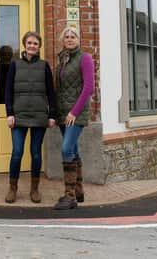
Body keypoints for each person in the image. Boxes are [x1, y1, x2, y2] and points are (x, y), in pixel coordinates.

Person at [4, 31, 56, 203]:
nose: (32, 46)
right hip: (19, 116)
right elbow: (8, 91)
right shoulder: (15, 64)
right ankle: (13, 188)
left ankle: (34, 189)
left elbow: (51, 91)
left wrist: (52, 115)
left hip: (39, 116)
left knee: (35, 154)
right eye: (29, 43)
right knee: (17, 153)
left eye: (35, 43)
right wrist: (10, 113)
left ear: (39, 46)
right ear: (24, 45)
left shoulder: (44, 66)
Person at [53, 26, 95, 210]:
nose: (70, 39)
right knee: (73, 150)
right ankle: (79, 191)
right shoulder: (62, 60)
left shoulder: (84, 58)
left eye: (73, 36)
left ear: (79, 39)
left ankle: (69, 196)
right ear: (63, 41)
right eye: (67, 37)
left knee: (66, 149)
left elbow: (88, 88)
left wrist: (74, 112)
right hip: (63, 113)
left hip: (75, 114)